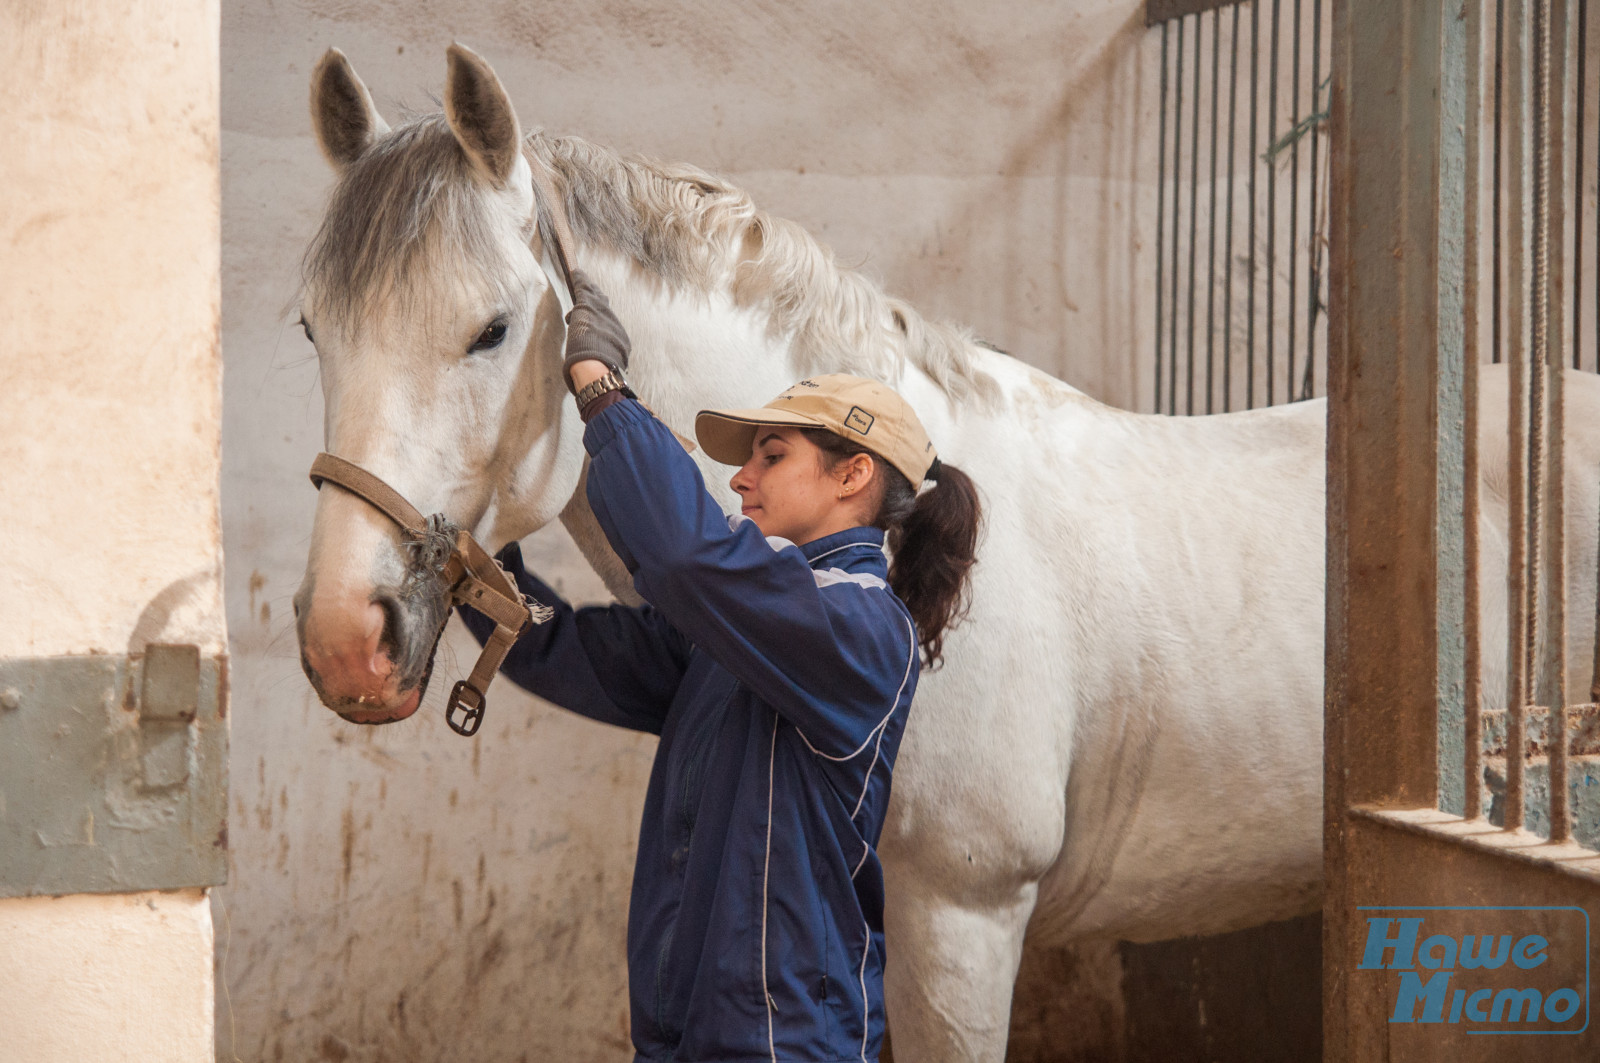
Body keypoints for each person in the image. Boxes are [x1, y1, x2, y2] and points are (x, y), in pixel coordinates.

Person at [460, 270, 980, 1063]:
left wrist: (604, 392)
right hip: (686, 1040)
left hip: (782, 1045)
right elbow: (562, 650)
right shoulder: (734, 634)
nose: (741, 476)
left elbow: (687, 554)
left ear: (853, 475)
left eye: (772, 454)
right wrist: (468, 562)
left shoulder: (862, 628)